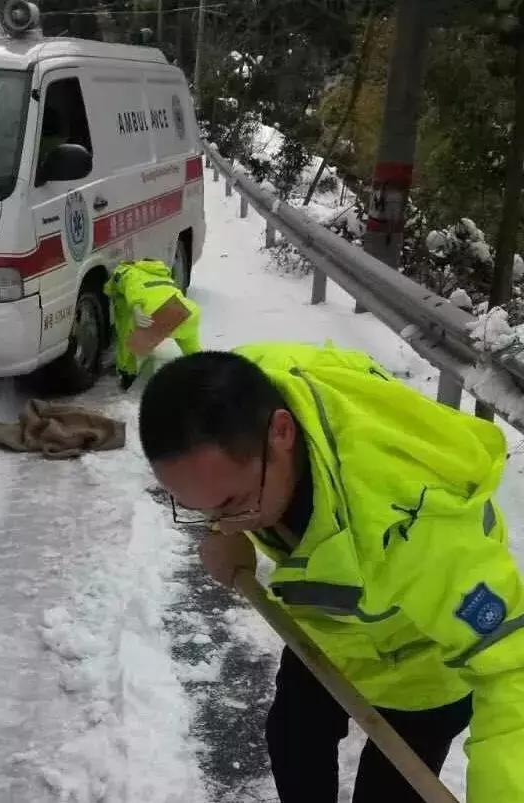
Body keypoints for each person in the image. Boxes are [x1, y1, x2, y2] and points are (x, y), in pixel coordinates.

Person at [138, 340, 524, 803]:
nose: (222, 521)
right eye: (203, 509)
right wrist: (226, 527)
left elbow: (512, 669)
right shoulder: (258, 386)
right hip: (329, 630)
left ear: (281, 434)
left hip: (423, 666)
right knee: (293, 746)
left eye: (232, 504)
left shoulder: (410, 529)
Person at [104, 258, 201, 390]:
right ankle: (206, 375)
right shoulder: (161, 274)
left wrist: (136, 308)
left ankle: (127, 375)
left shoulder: (126, 271)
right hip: (189, 310)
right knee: (193, 352)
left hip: (158, 314)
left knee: (129, 342)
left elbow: (132, 288)